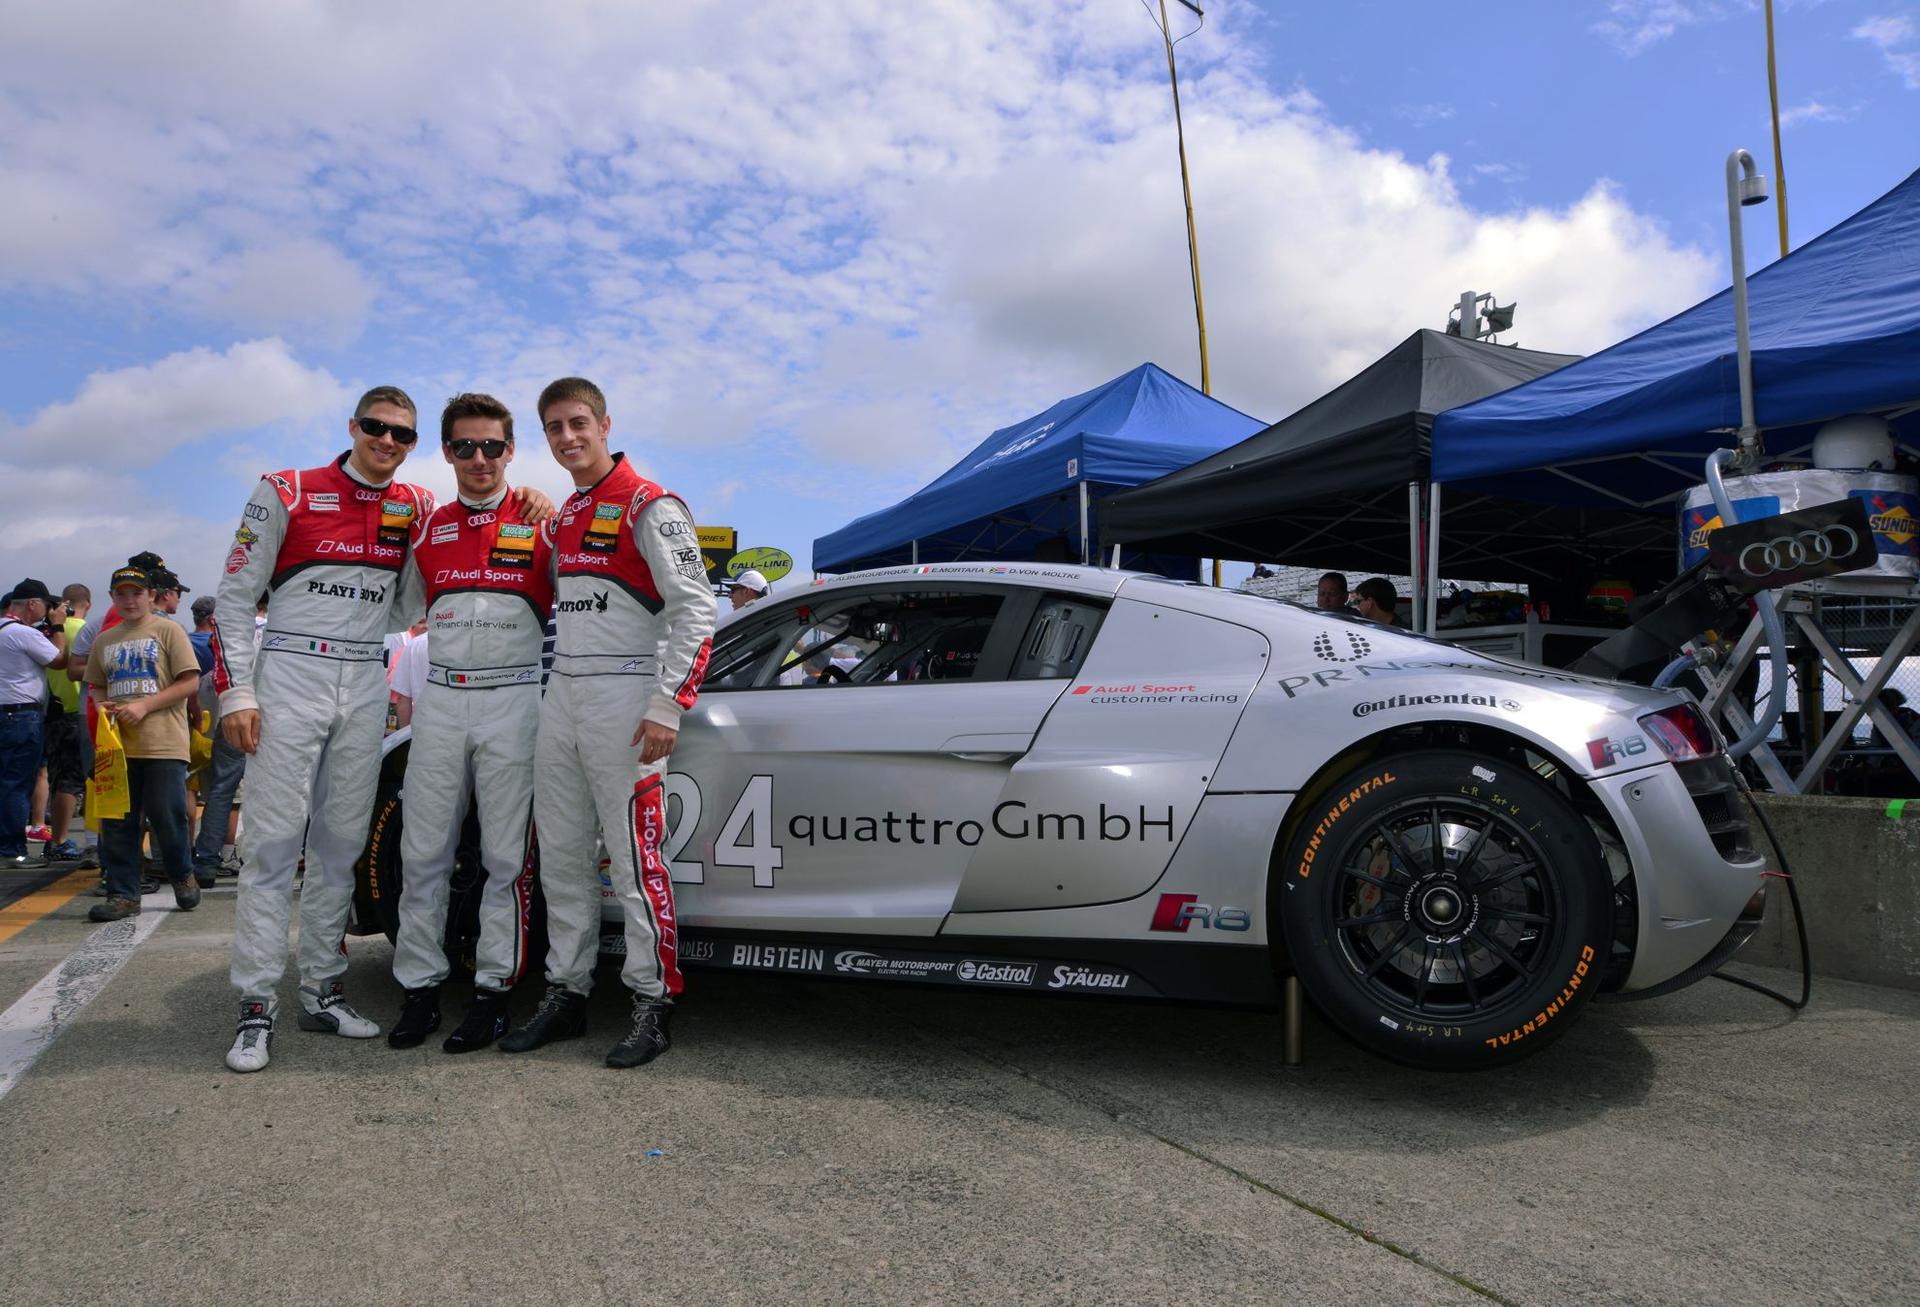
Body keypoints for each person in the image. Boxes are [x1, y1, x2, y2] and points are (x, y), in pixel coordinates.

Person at [211, 385, 439, 1073]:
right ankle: (256, 1004)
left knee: (340, 845)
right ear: (353, 426)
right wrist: (237, 694)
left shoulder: (414, 506)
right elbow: (231, 596)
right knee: (273, 847)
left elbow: (412, 601)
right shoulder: (286, 489)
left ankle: (321, 990)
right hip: (289, 674)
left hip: (366, 677)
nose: (388, 441)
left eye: (403, 433)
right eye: (377, 427)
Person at [500, 376, 716, 1069]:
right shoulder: (565, 516)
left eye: (578, 424)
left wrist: (667, 703)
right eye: (555, 428)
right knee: (561, 859)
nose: (567, 438)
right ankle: (566, 993)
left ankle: (652, 1003)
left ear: (604, 423)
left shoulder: (652, 503)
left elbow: (696, 609)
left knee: (632, 860)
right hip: (561, 693)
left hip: (627, 696)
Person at [383, 393, 554, 1053]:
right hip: (443, 701)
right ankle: (420, 991)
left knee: (505, 857)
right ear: (447, 451)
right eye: (464, 446)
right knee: (421, 852)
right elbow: (388, 603)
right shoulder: (426, 526)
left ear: (510, 450)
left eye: (491, 446)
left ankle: (491, 994)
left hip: (515, 699)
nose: (478, 458)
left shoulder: (544, 519)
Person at [82, 566, 202, 920]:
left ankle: (181, 874)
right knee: (119, 821)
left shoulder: (169, 631)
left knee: (168, 814)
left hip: (163, 741)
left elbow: (189, 682)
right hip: (117, 746)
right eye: (122, 594)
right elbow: (96, 684)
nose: (129, 600)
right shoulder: (105, 640)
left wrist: (144, 705)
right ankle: (124, 895)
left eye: (137, 593)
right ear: (113, 599)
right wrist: (102, 704)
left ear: (151, 596)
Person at [0, 581, 68, 867]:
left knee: (5, 782)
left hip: (4, 712)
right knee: (17, 784)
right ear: (31, 604)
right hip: (21, 716)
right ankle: (11, 851)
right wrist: (59, 626)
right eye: (45, 604)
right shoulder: (22, 633)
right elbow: (59, 660)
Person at [188, 596, 246, 883]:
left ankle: (206, 861)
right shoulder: (241, 677)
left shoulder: (206, 678)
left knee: (219, 793)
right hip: (255, 720)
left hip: (220, 726)